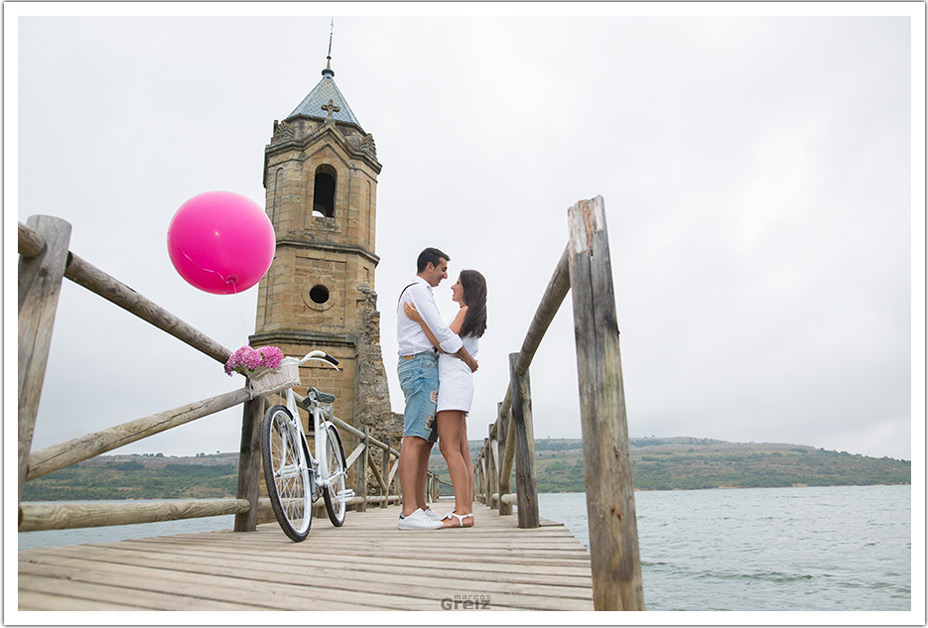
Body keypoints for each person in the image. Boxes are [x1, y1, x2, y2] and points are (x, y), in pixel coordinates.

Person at [396, 248, 478, 530]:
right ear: (429, 266)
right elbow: (443, 336)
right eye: (443, 270)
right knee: (415, 436)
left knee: (426, 441)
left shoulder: (423, 294)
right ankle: (409, 511)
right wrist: (468, 358)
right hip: (419, 365)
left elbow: (439, 337)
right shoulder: (418, 291)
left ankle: (419, 506)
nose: (446, 277)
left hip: (425, 366)